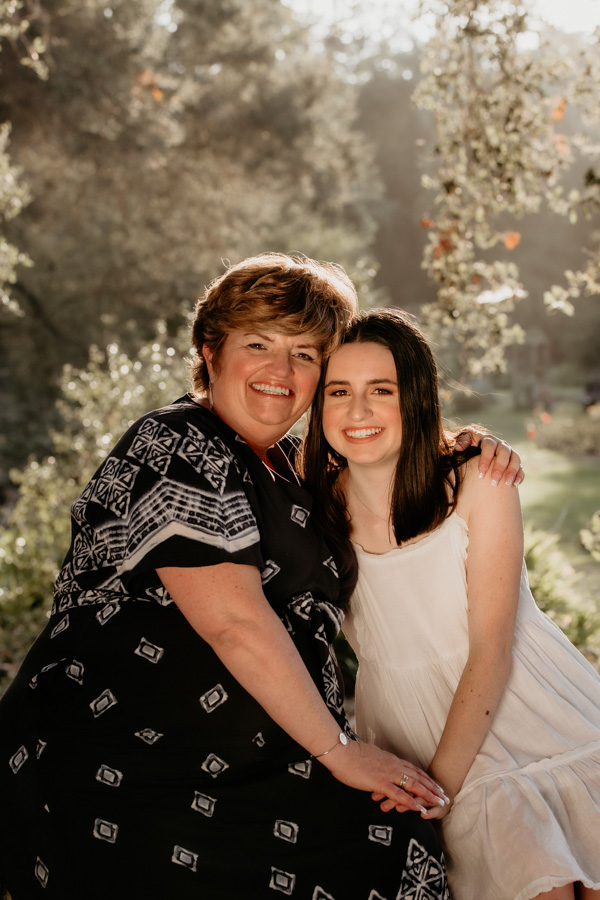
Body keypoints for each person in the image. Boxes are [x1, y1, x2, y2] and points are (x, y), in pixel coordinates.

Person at [0, 254, 520, 900]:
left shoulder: (295, 471)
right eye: (258, 344)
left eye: (306, 354)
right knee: (385, 850)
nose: (281, 372)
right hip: (130, 760)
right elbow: (234, 620)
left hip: (257, 765)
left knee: (400, 843)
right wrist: (339, 750)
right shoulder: (176, 443)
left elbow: (389, 456)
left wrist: (458, 446)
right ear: (210, 351)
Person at [301, 307, 600, 900]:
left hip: (530, 711)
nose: (357, 412)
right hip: (410, 730)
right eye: (339, 391)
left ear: (414, 398)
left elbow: (491, 651)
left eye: (380, 391)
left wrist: (439, 789)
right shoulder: (309, 504)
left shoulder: (478, 480)